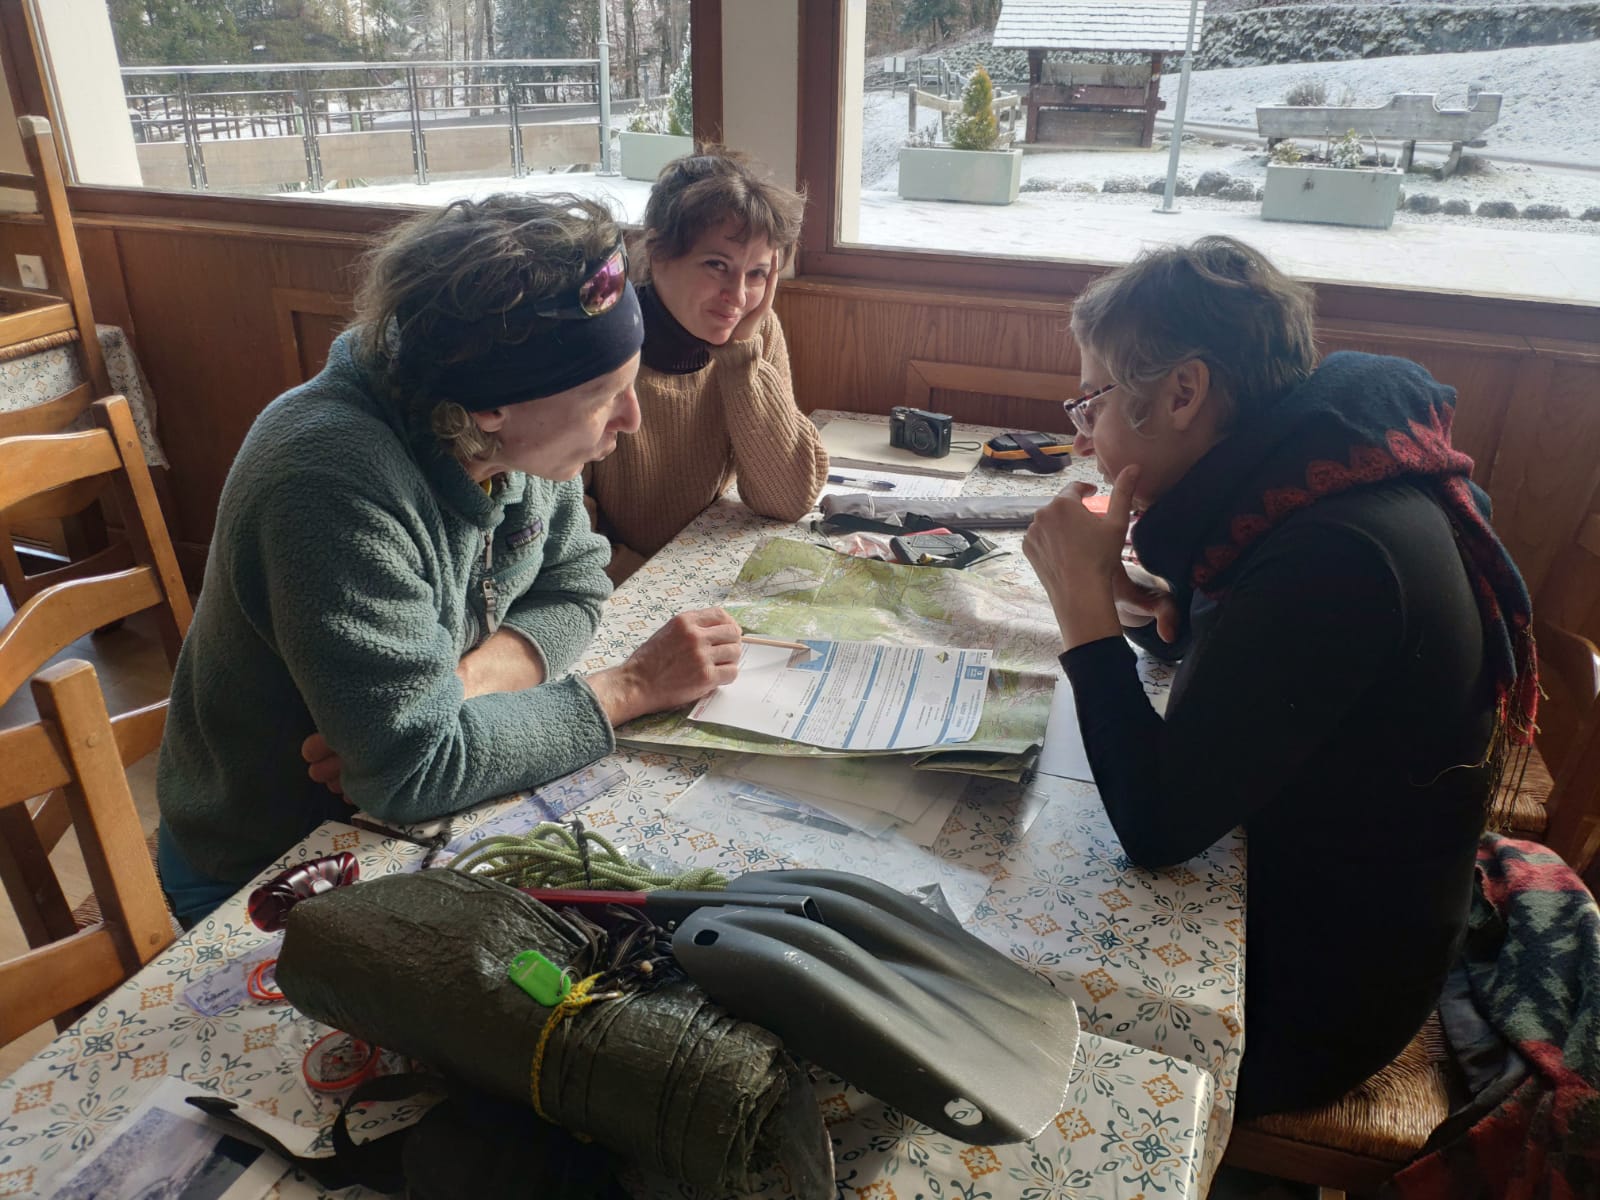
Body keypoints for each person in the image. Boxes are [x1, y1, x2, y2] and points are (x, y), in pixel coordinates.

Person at [1022, 236, 1538, 1117]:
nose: (1081, 433)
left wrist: (1079, 605)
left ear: (1182, 393)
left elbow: (1156, 824)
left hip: (1316, 1003)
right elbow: (1269, 682)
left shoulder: (1333, 551)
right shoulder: (1314, 477)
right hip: (1332, 901)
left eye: (1093, 399)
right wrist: (1158, 610)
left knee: (969, 972)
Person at [157, 195, 743, 926]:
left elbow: (574, 583)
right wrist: (631, 685)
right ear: (491, 408)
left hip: (399, 817)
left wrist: (458, 691)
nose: (631, 420)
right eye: (605, 395)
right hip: (275, 863)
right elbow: (418, 771)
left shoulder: (508, 432)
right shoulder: (326, 484)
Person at [584, 150, 827, 582]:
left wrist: (741, 357)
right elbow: (568, 537)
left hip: (699, 568)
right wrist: (656, 588)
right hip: (619, 585)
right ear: (657, 252)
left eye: (757, 274)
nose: (738, 296)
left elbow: (787, 499)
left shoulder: (754, 333)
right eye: (717, 265)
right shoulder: (598, 343)